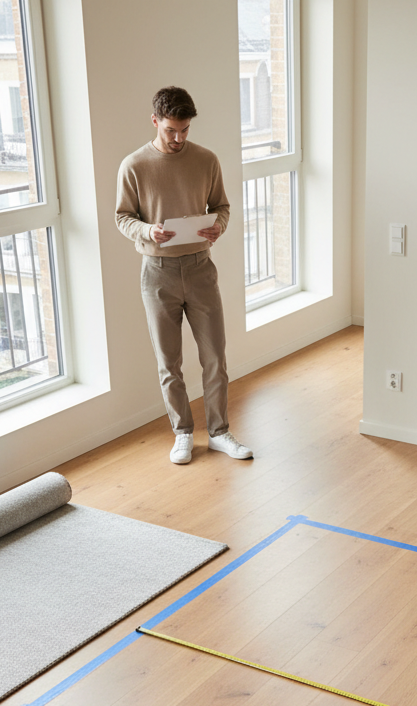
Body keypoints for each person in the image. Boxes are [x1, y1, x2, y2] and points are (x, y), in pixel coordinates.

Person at [116, 86, 252, 465]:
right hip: (157, 274)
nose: (178, 139)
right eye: (171, 130)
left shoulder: (206, 160)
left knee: (214, 357)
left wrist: (218, 226)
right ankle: (183, 433)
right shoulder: (134, 165)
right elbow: (122, 217)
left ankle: (221, 431)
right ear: (155, 120)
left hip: (200, 268)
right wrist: (148, 232)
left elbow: (221, 205)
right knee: (169, 362)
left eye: (185, 130)